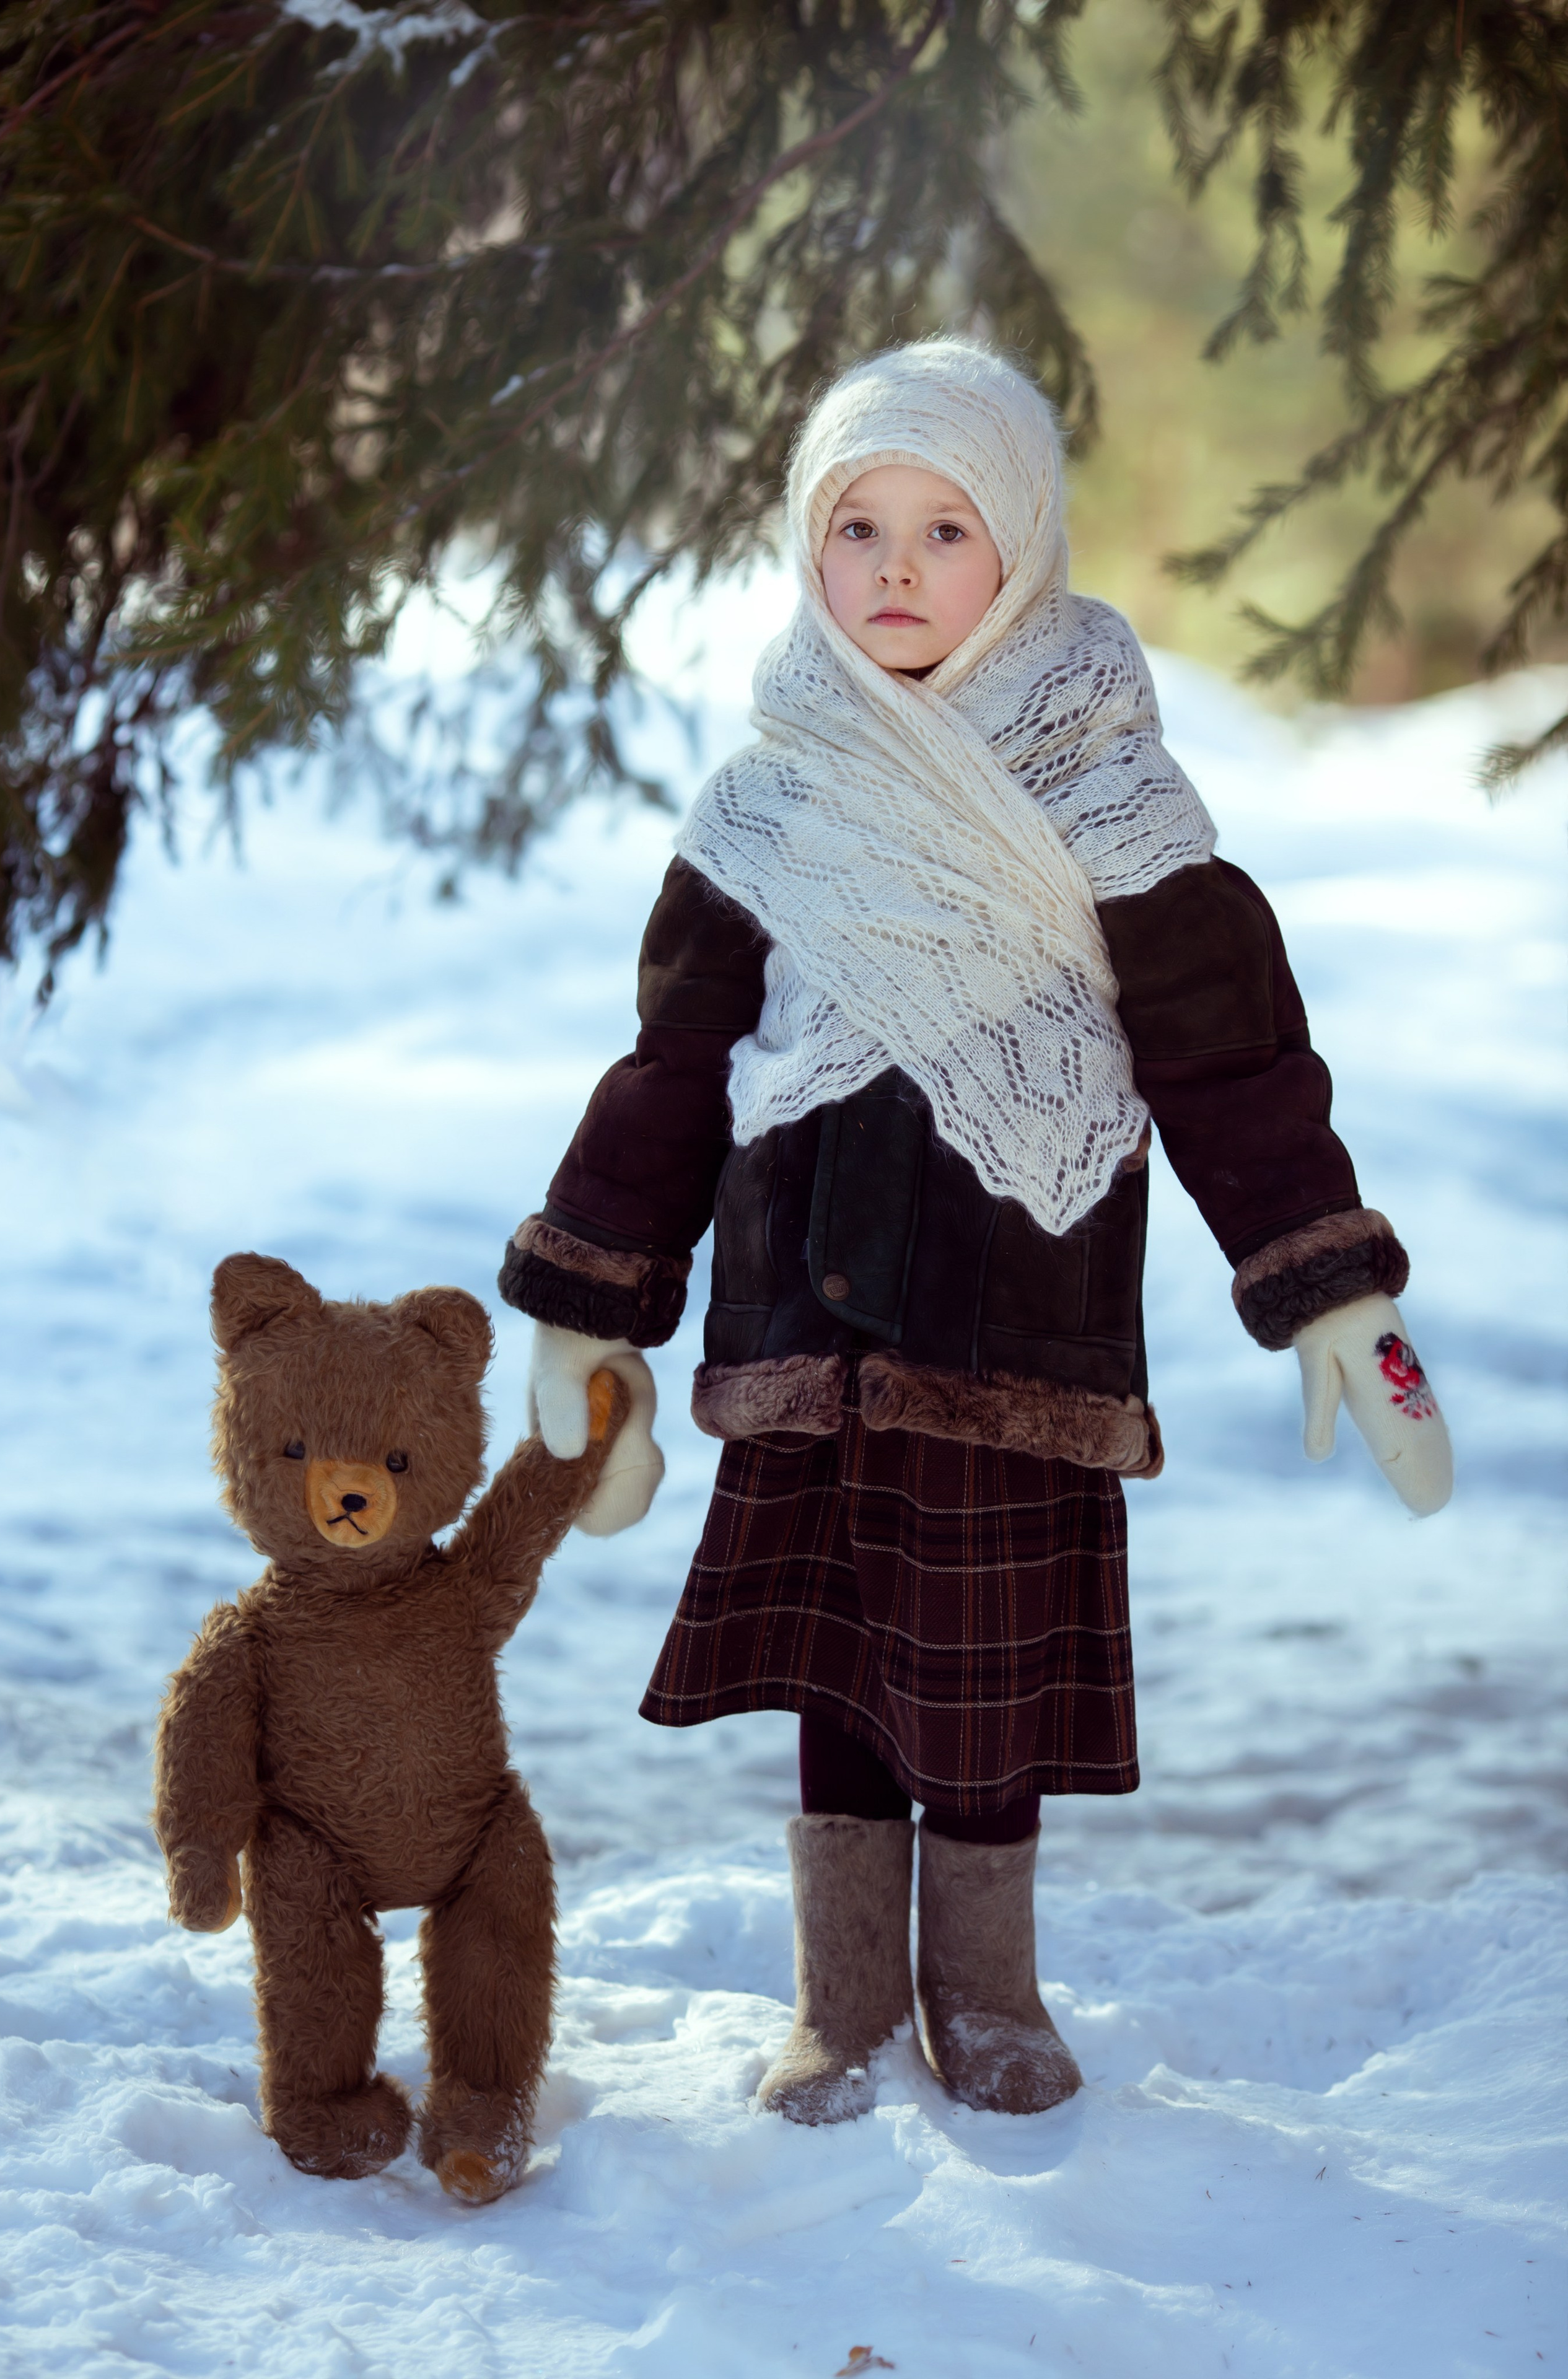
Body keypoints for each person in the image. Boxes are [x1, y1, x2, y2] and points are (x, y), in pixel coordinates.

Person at [497, 340, 1452, 2126]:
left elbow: (1233, 1061)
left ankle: (989, 1997)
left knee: (981, 1676)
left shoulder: (1115, 803)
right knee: (839, 1673)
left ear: (1022, 542)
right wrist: (597, 1304)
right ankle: (845, 2001)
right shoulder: (768, 806)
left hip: (1022, 1312)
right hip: (808, 1318)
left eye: (946, 527)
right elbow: (673, 1069)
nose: (900, 568)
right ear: (808, 549)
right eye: (857, 526)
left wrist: (1336, 1295)